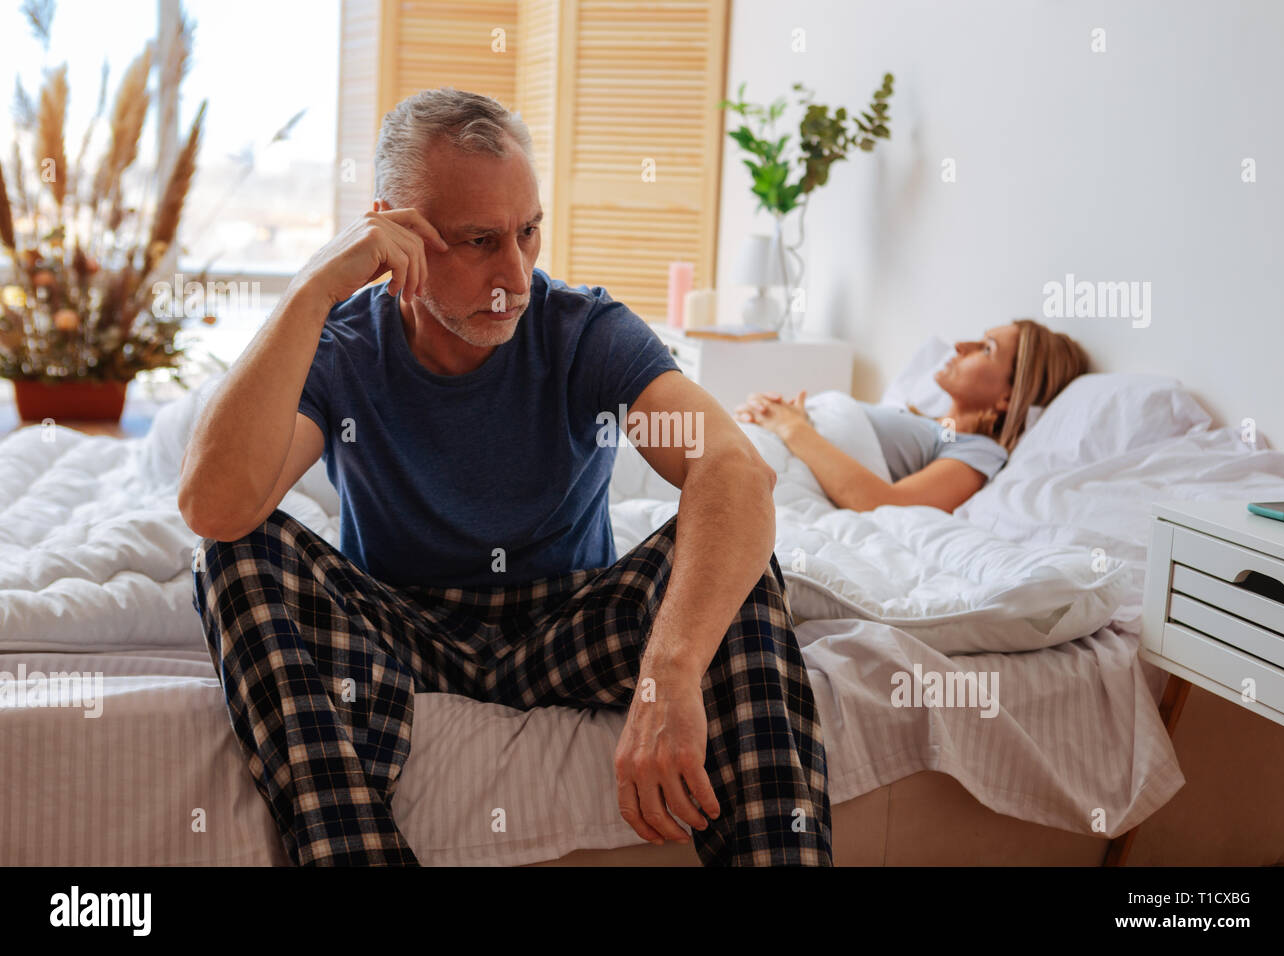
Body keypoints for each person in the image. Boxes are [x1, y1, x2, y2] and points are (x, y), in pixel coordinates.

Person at [179, 87, 831, 867]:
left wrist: (671, 670)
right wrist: (312, 288)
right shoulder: (344, 346)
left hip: (570, 623)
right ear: (394, 229)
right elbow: (215, 508)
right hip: (403, 630)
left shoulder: (583, 333)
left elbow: (733, 468)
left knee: (737, 561)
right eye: (481, 241)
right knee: (233, 558)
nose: (515, 277)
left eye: (528, 233)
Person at [734, 321, 1088, 513]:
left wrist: (792, 427)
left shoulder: (978, 451)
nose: (960, 346)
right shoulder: (920, 421)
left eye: (986, 349)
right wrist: (775, 414)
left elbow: (886, 505)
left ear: (1008, 398)